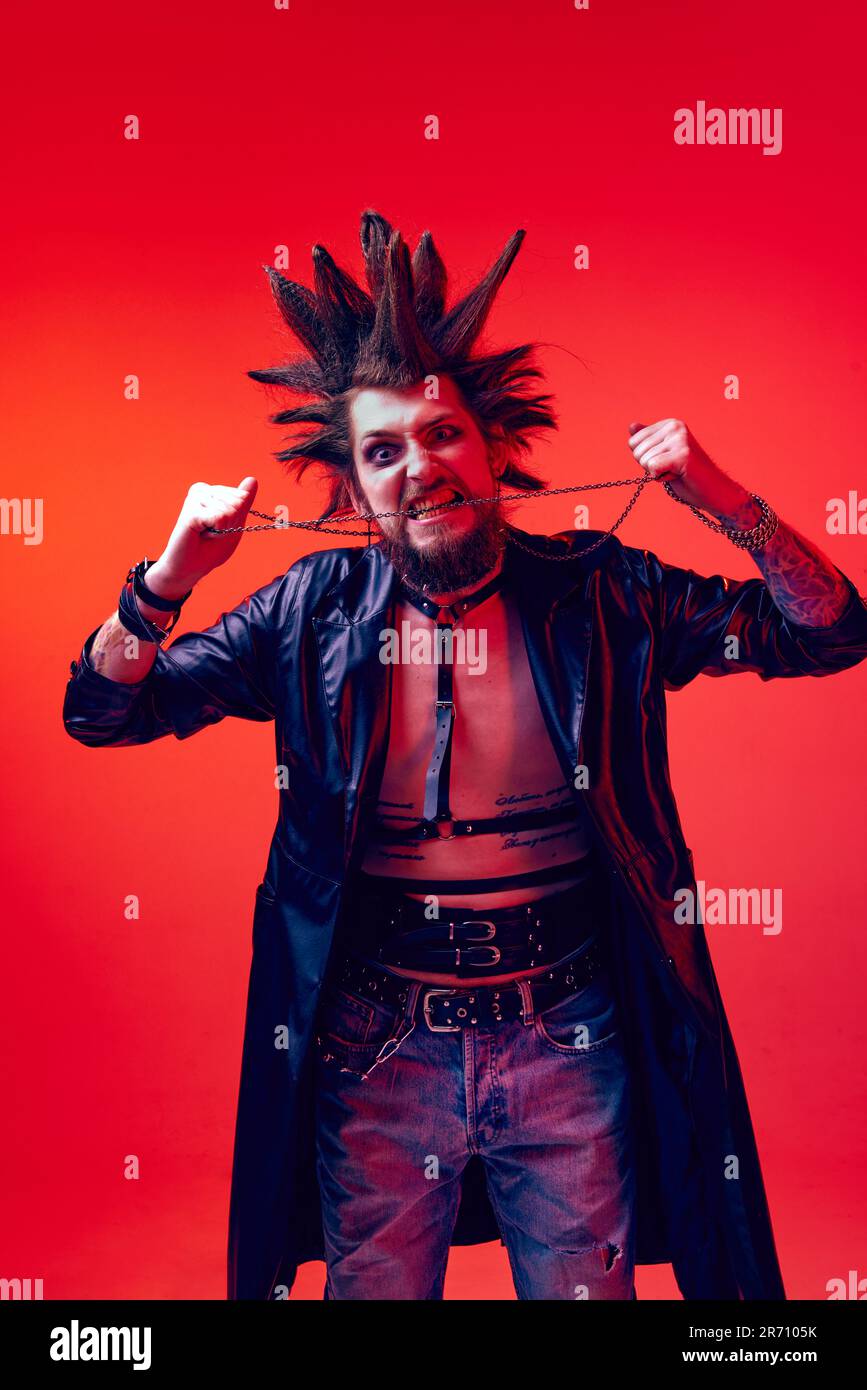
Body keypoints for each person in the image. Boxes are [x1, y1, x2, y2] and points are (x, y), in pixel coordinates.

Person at [63, 210, 867, 1300]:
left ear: (491, 444)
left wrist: (726, 503)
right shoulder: (309, 613)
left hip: (569, 1031)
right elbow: (104, 712)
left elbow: (828, 632)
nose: (419, 466)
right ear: (353, 489)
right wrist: (161, 582)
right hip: (376, 1046)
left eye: (441, 435)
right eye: (383, 451)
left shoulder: (602, 592)